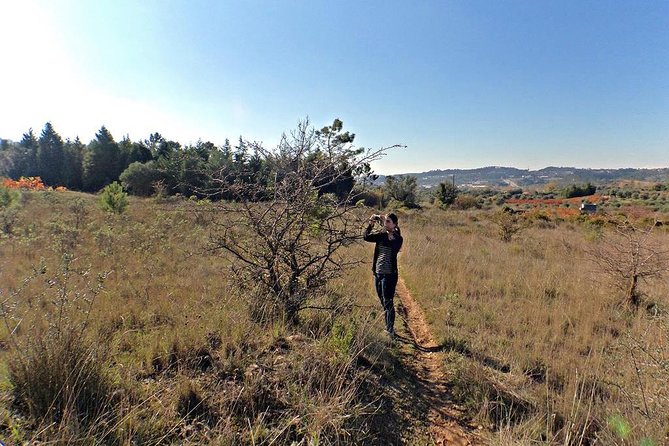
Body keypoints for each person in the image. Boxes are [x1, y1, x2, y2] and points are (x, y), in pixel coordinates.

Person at [364, 212, 403, 340]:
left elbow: (394, 243)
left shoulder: (397, 238)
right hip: (378, 273)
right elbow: (366, 237)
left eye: (388, 222)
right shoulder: (381, 235)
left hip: (390, 275)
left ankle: (390, 330)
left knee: (388, 301)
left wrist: (384, 227)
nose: (386, 223)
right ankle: (388, 326)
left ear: (395, 224)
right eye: (385, 221)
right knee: (383, 301)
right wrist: (371, 223)